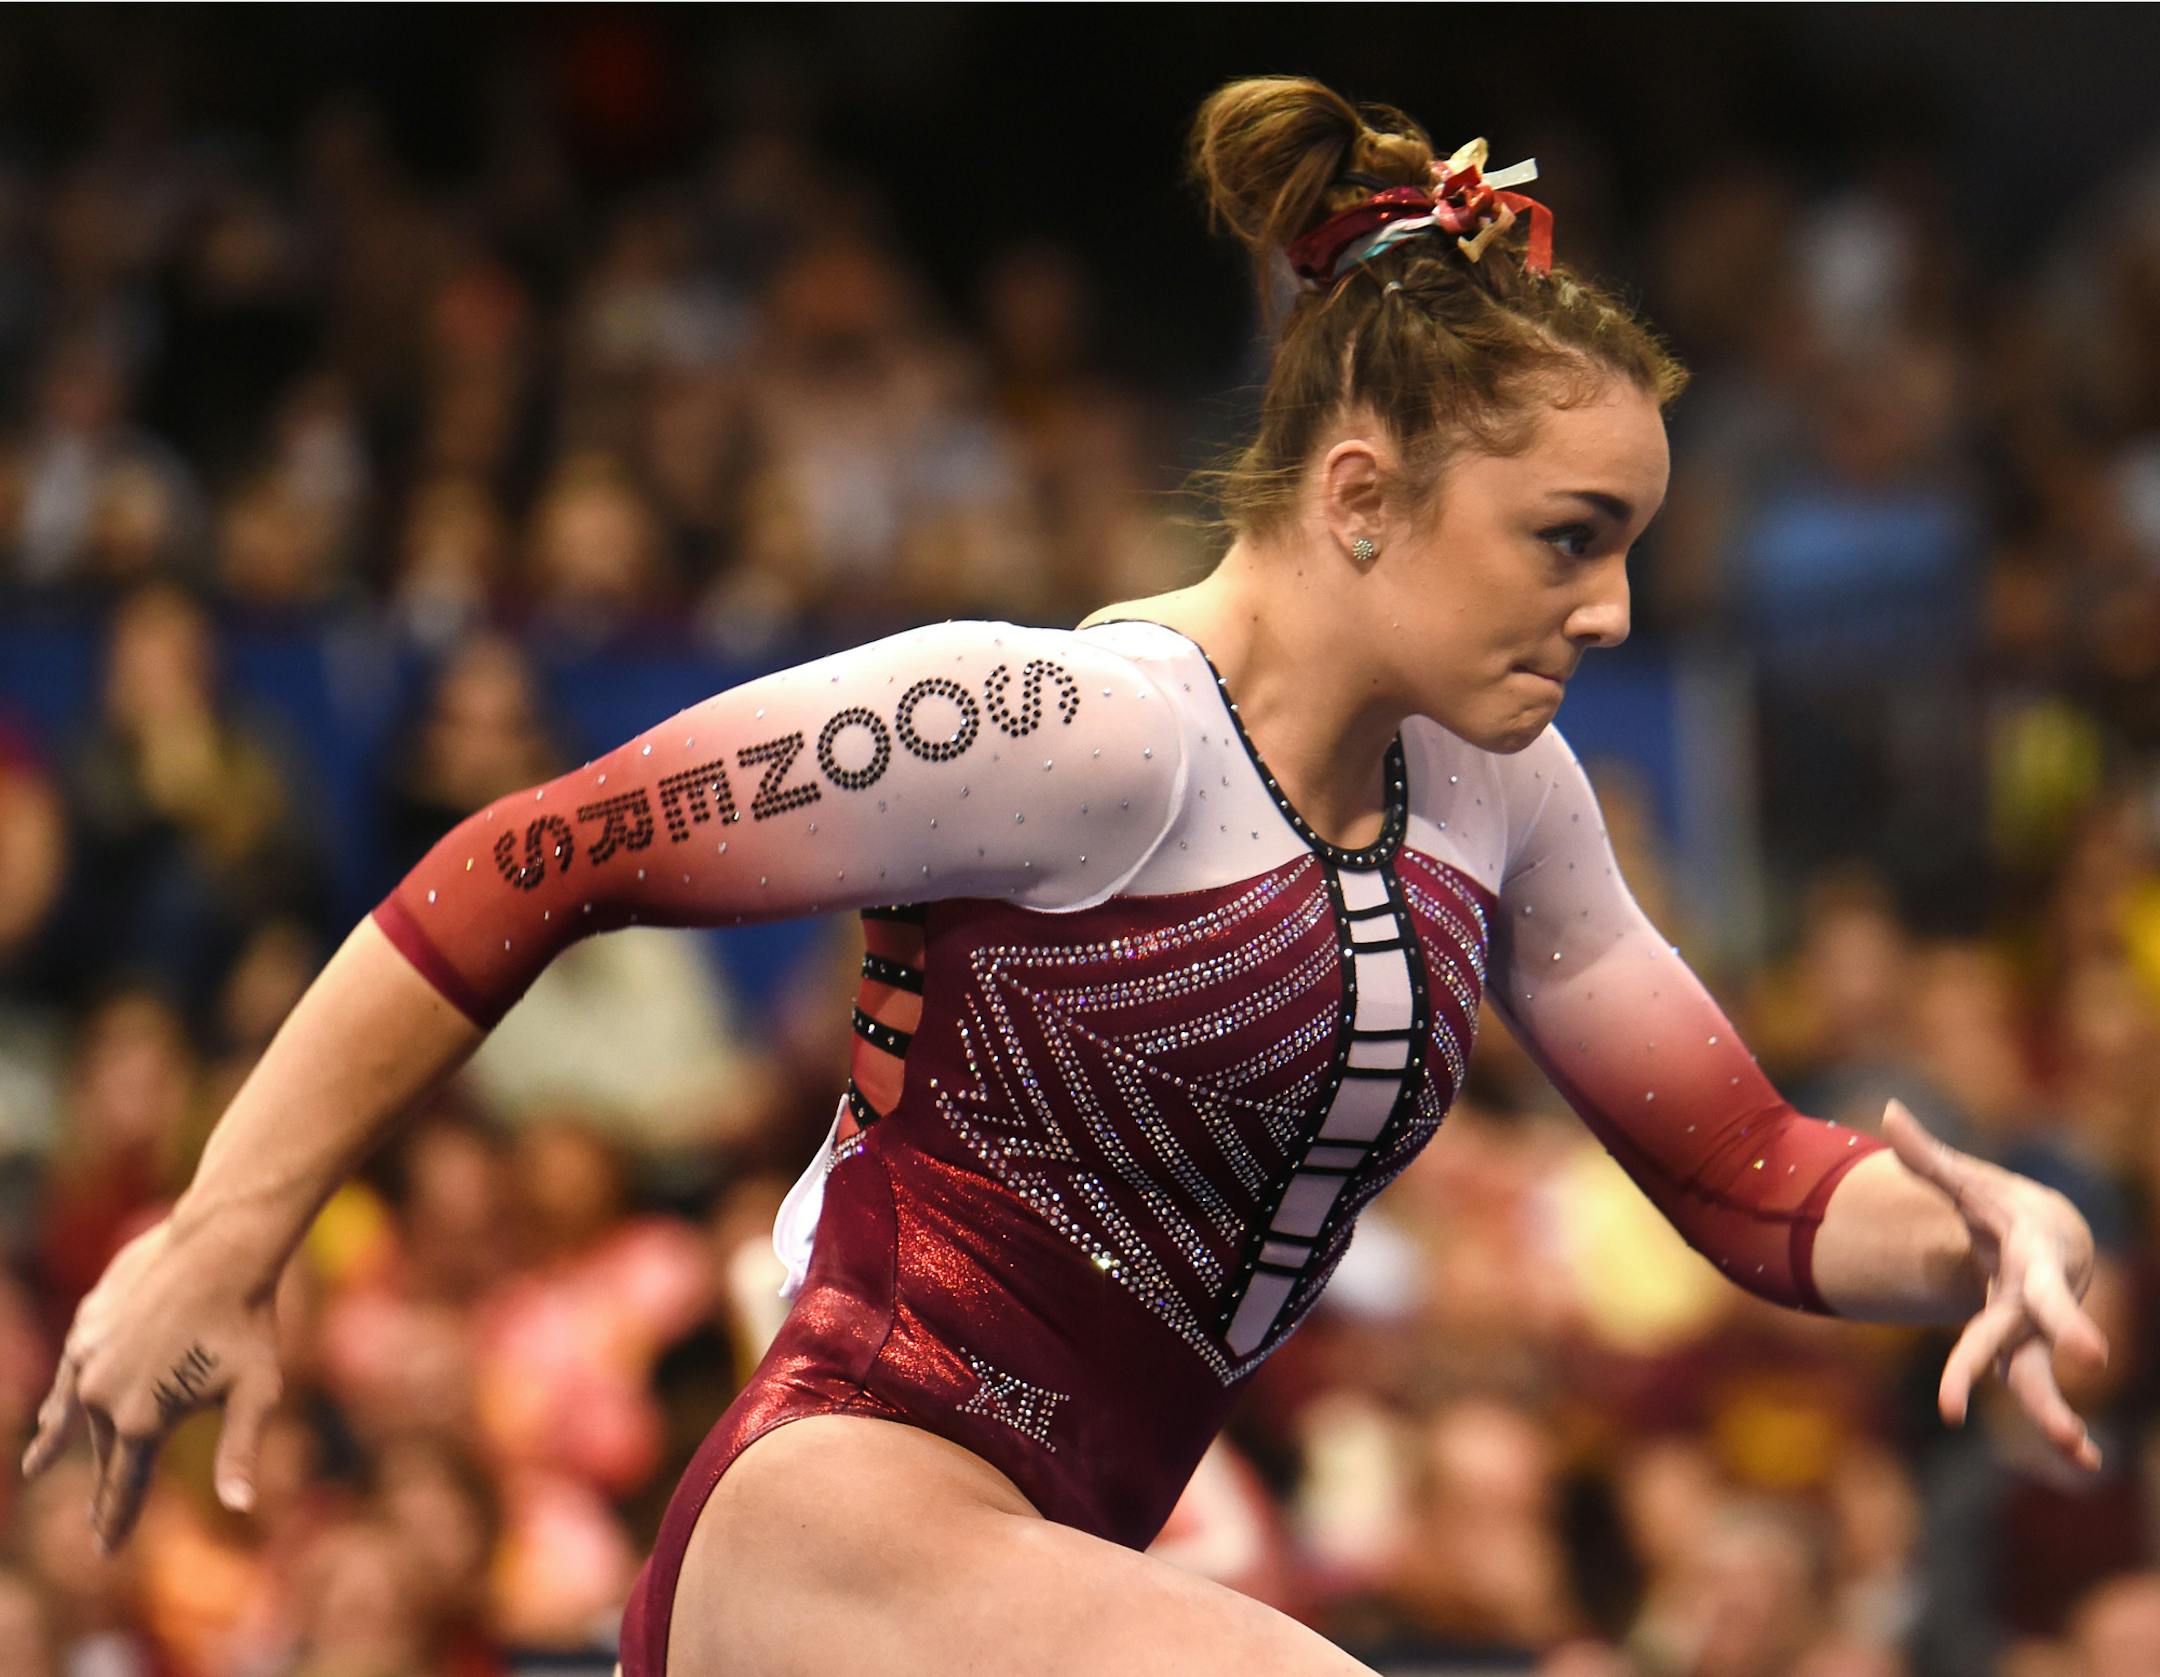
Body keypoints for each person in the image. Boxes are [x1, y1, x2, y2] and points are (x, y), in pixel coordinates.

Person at [23, 77, 2110, 1677]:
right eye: (1571, 538)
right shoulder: (1064, 729)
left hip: (1049, 1563)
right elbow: (528, 855)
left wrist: (1985, 1230)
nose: (1618, 610)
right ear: (1362, 495)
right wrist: (228, 1229)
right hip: (832, 1521)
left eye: (1630, 545)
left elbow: (1751, 1172)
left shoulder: (1506, 794)